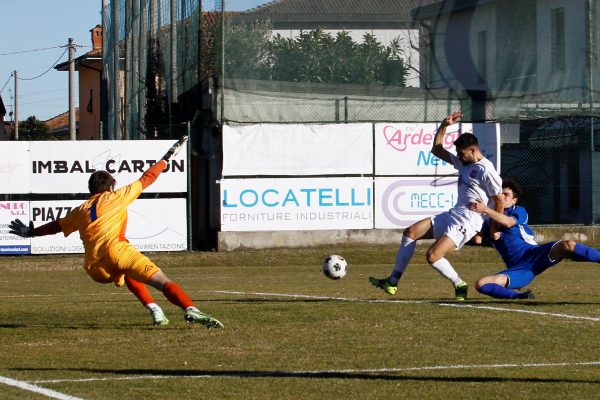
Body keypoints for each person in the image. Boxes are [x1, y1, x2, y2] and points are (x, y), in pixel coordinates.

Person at [9, 137, 223, 329]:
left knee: (127, 272)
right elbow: (148, 177)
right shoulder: (115, 197)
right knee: (162, 281)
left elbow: (56, 225)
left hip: (95, 268)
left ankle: (154, 310)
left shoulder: (80, 210)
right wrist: (167, 157)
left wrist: (31, 232)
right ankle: (190, 309)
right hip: (119, 251)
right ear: (110, 188)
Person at [369, 112, 504, 300]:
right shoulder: (465, 163)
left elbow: (499, 200)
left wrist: (494, 228)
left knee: (432, 256)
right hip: (454, 213)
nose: (458, 156)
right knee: (411, 232)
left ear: (472, 150)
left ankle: (459, 284)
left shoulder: (486, 170)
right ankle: (392, 281)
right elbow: (437, 150)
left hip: (469, 220)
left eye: (461, 153)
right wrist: (444, 126)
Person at [468, 177, 600, 299]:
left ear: (514, 200)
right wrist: (474, 216)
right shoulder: (488, 222)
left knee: (568, 245)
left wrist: (486, 210)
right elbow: (478, 239)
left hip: (535, 254)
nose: (501, 197)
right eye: (499, 194)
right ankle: (519, 297)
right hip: (519, 268)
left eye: (506, 194)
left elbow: (508, 222)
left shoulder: (518, 210)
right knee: (481, 284)